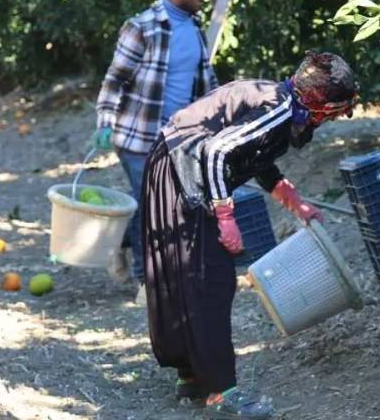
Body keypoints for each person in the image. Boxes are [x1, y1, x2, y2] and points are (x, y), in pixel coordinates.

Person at [141, 51, 357, 419]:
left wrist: (293, 201)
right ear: (320, 104)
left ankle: (192, 375)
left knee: (187, 275)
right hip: (182, 171)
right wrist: (225, 215)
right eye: (336, 111)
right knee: (210, 280)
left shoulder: (279, 100)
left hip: (171, 161)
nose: (335, 118)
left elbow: (252, 153)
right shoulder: (279, 108)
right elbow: (217, 151)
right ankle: (220, 391)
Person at [93, 0, 222, 295]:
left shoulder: (195, 30)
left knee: (166, 205)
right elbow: (115, 80)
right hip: (137, 137)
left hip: (175, 139)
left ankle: (117, 242)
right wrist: (105, 121)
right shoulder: (143, 27)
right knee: (151, 205)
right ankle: (145, 283)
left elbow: (207, 83)